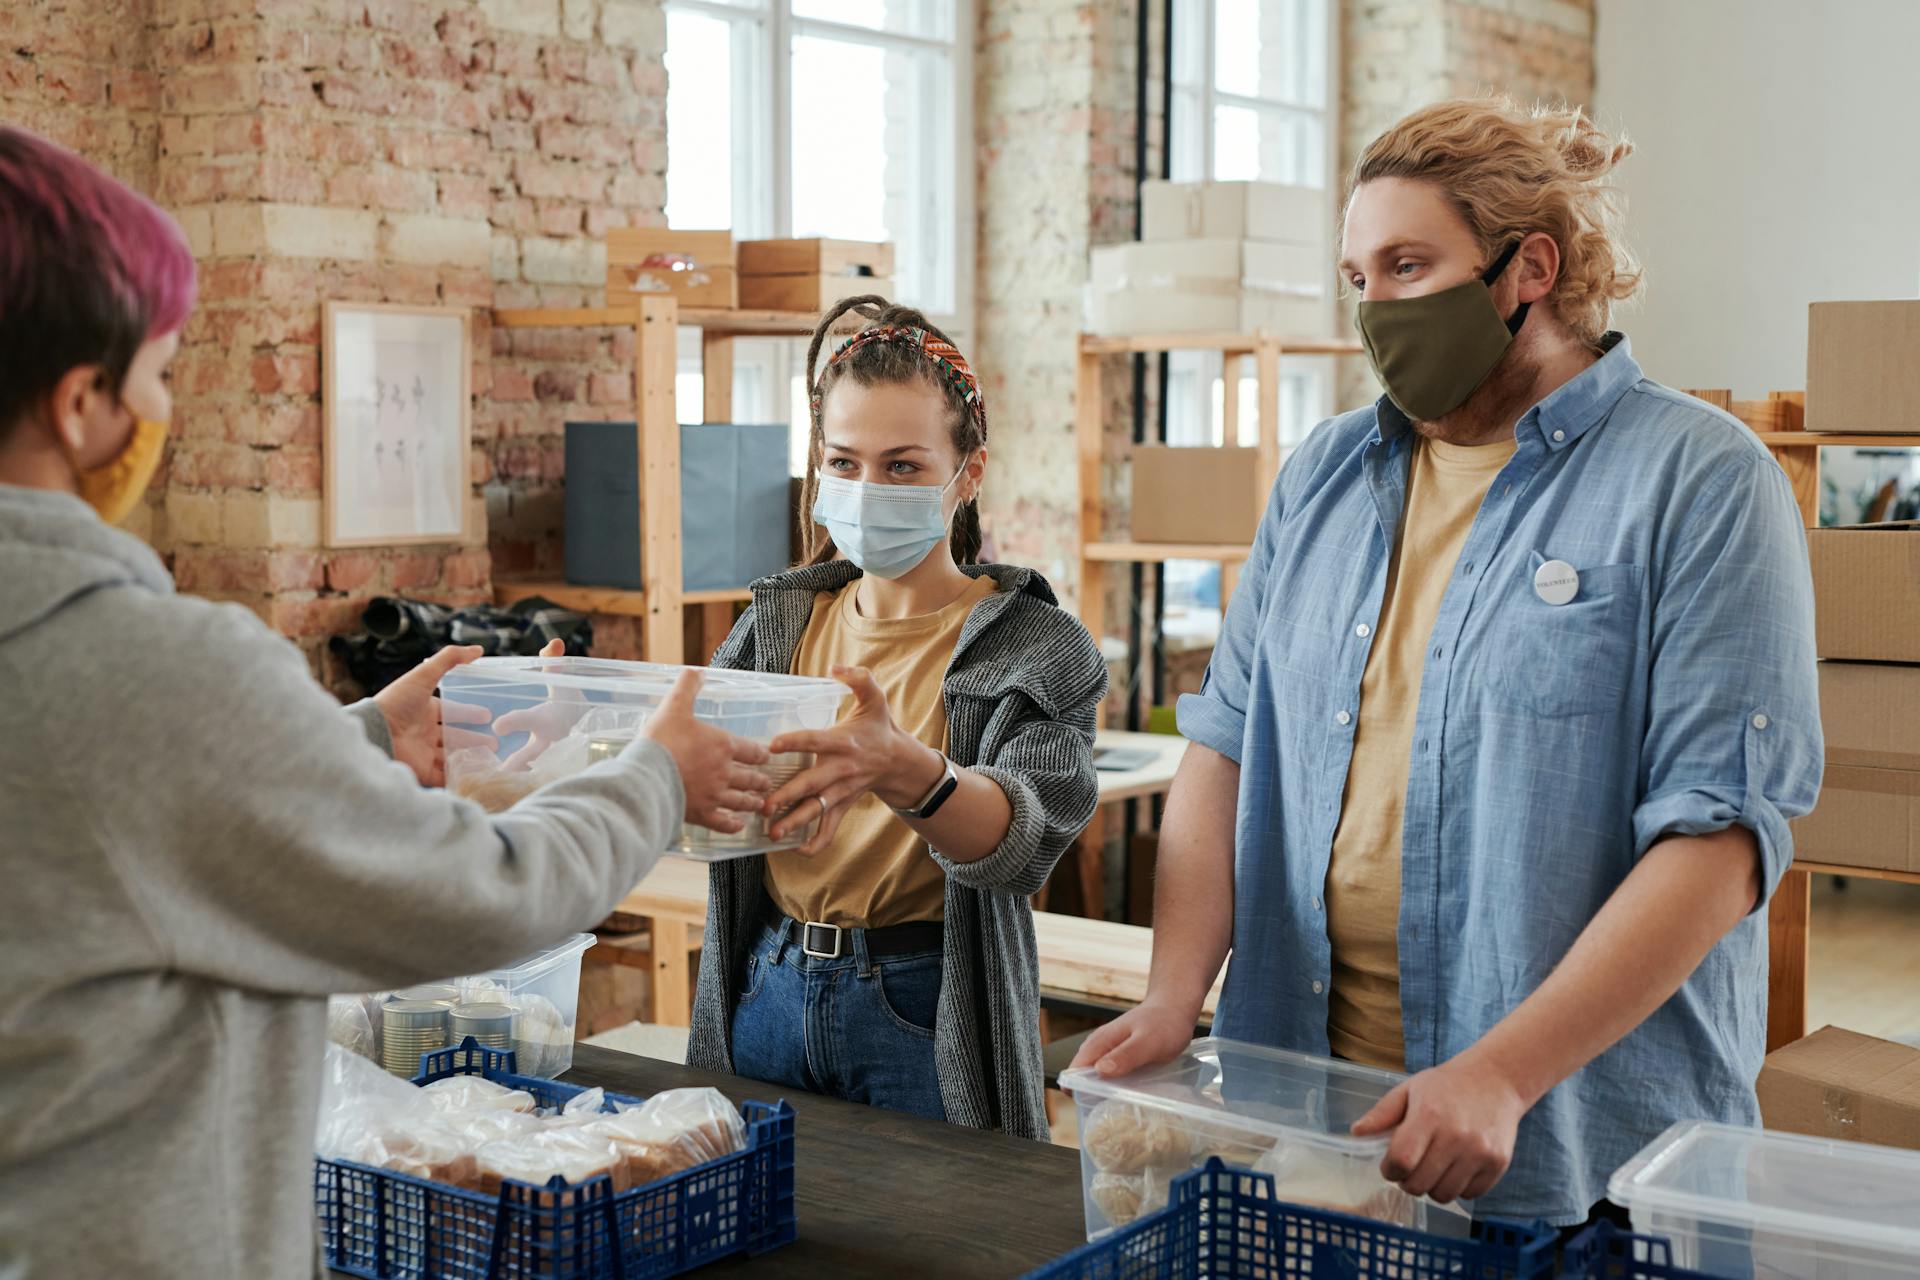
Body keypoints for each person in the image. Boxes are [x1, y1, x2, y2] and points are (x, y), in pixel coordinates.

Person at [0, 125, 772, 1276]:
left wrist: (351, 742)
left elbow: (109, 822)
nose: (162, 409)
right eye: (160, 373)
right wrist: (654, 776)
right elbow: (484, 895)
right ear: (78, 405)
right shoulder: (140, 664)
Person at [1073, 98, 1823, 1229]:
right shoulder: (1325, 474)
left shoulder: (1703, 482)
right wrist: (1179, 993)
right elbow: (1225, 747)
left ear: (1529, 267)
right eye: (1357, 276)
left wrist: (1504, 1070)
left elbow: (1719, 841)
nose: (1376, 308)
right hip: (1317, 1121)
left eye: (1409, 265)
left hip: (1574, 1149)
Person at [686, 296, 1108, 1138]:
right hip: (766, 982)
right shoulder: (779, 624)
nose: (866, 489)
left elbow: (1023, 847)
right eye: (843, 463)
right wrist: (576, 734)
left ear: (968, 474)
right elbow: (699, 772)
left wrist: (902, 768)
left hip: (923, 1003)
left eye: (904, 466)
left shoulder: (1036, 644)